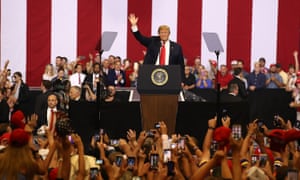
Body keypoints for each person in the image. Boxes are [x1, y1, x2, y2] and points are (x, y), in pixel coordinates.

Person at [128, 13, 185, 79]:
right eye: (162, 32)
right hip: (152, 74)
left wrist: (182, 80)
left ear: (169, 34)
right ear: (159, 33)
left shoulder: (176, 47)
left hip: (169, 76)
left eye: (165, 32)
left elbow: (181, 65)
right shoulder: (153, 42)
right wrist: (134, 26)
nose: (164, 34)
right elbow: (140, 38)